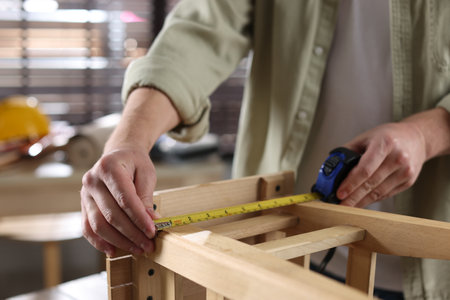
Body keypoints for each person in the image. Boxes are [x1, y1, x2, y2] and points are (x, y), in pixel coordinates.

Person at [80, 1, 450, 299]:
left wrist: (428, 134)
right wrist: (130, 138)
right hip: (275, 256)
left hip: (433, 272)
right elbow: (200, 31)